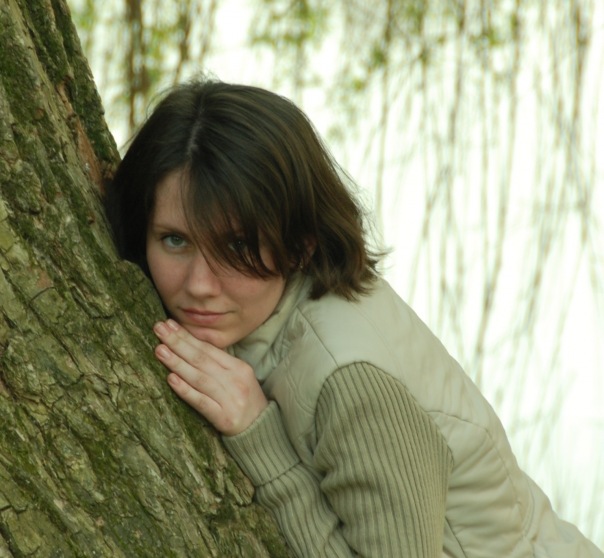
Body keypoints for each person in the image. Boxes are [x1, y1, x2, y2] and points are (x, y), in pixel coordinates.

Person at [105, 77, 603, 558]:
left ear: (300, 245)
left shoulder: (349, 383)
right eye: (175, 240)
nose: (198, 285)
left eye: (237, 247)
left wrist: (260, 438)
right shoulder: (269, 307)